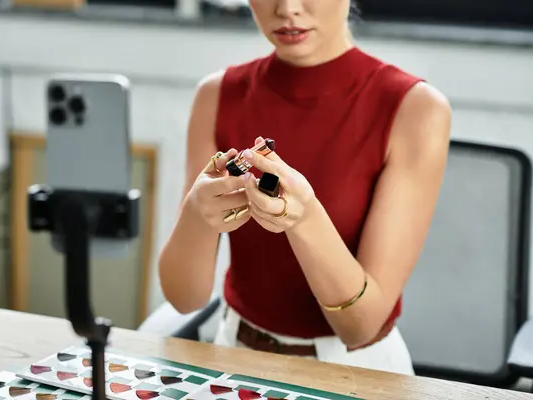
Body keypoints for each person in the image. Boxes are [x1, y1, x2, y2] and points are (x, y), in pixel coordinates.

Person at [158, 0, 451, 376]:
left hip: (355, 370)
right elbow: (185, 300)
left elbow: (360, 326)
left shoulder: (416, 109)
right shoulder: (217, 95)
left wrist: (305, 219)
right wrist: (197, 216)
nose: (287, 8)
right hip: (234, 354)